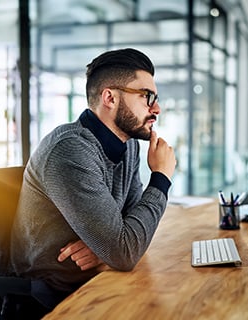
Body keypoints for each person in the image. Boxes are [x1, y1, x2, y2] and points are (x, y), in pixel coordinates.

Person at [10, 48, 177, 317]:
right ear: (109, 97)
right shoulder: (70, 150)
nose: (156, 109)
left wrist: (107, 248)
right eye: (147, 97)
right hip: (51, 296)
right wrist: (161, 178)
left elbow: (130, 231)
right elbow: (125, 250)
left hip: (96, 277)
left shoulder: (129, 145)